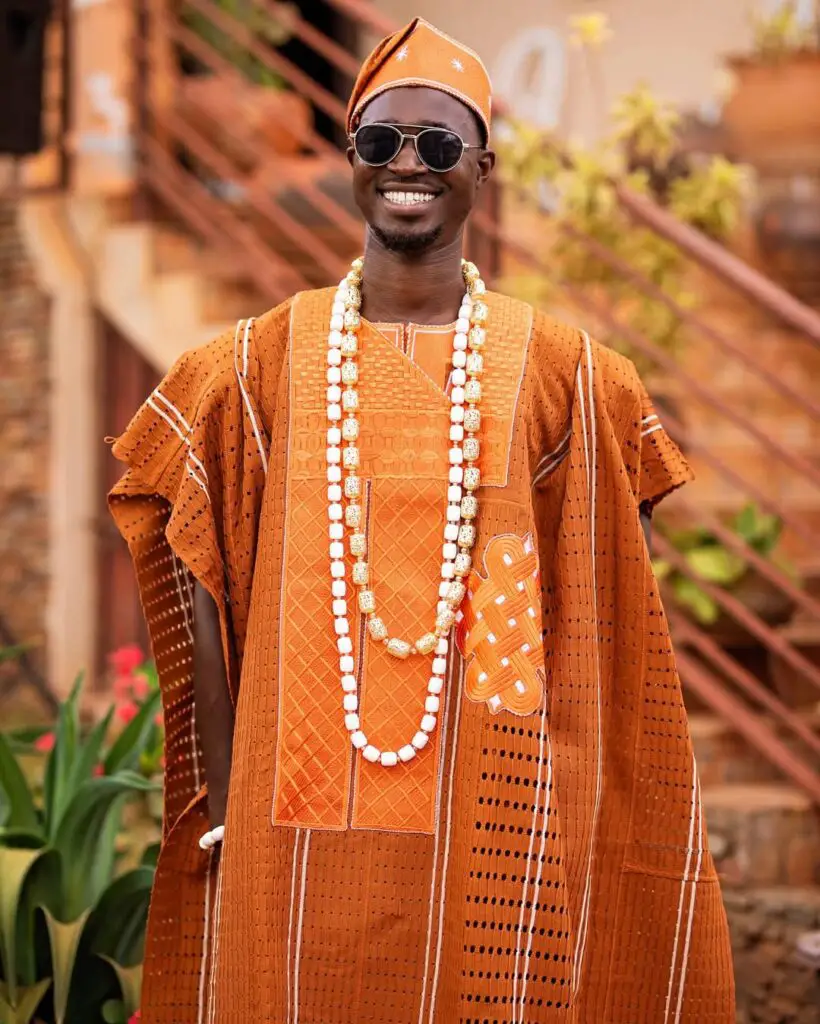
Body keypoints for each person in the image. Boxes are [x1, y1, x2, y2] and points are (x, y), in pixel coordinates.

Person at [109, 17, 735, 1024]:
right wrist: (227, 801)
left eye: (439, 144)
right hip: (292, 838)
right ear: (349, 159)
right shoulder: (251, 368)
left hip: (487, 823)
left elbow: (599, 609)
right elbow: (192, 563)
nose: (408, 163)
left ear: (482, 164)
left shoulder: (567, 379)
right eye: (380, 141)